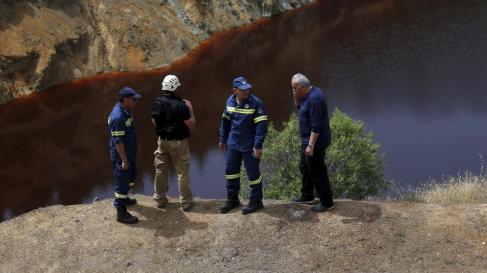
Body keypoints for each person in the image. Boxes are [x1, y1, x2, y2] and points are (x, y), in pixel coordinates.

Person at [219, 76, 268, 214]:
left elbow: (261, 127)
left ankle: (256, 202)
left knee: (253, 174)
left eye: (248, 89)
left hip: (250, 145)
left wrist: (258, 145)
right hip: (233, 144)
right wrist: (223, 138)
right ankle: (233, 199)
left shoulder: (257, 103)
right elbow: (225, 121)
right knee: (230, 172)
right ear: (235, 90)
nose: (247, 92)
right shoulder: (230, 101)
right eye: (243, 90)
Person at [291, 73, 334, 212]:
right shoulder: (304, 95)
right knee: (304, 167)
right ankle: (307, 195)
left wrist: (311, 146)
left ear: (303, 87)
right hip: (306, 140)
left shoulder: (315, 99)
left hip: (315, 143)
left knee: (317, 171)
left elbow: (316, 127)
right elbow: (298, 106)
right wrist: (295, 94)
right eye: (291, 88)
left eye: (295, 88)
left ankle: (326, 202)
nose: (293, 90)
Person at [151, 75, 196, 211]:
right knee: (182, 172)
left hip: (162, 142)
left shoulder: (157, 102)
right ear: (175, 88)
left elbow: (153, 120)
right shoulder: (182, 105)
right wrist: (190, 108)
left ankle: (160, 199)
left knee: (160, 169)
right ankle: (186, 202)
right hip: (179, 143)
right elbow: (192, 125)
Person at [108, 86, 142, 224]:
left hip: (129, 153)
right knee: (121, 182)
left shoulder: (126, 111)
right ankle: (121, 212)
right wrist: (123, 160)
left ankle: (124, 198)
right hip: (122, 156)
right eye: (134, 99)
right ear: (126, 100)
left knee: (132, 176)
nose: (136, 102)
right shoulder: (118, 117)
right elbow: (118, 141)